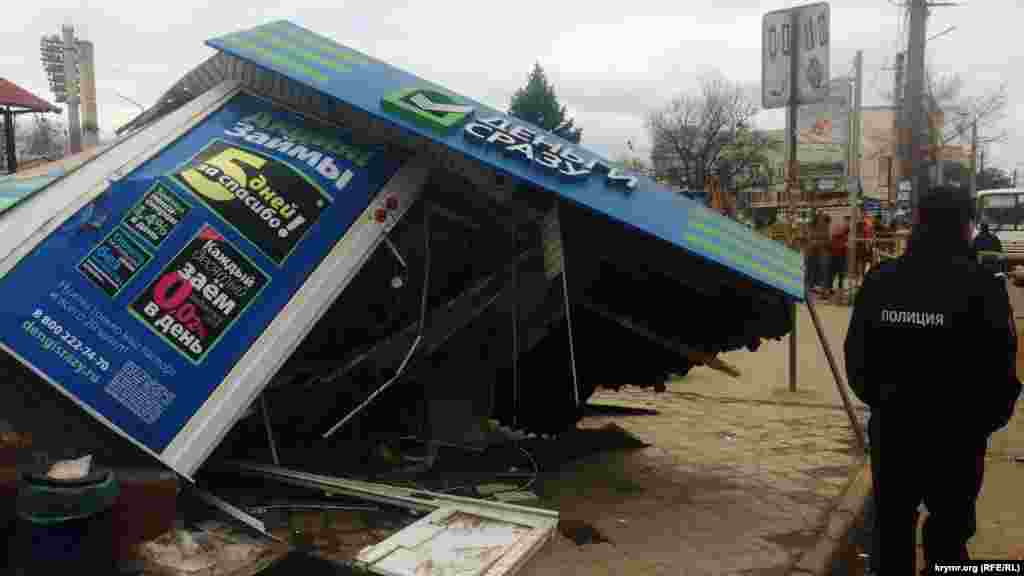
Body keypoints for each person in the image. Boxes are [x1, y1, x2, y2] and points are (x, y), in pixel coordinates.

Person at [844, 187, 1021, 576]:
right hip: (957, 438)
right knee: (949, 535)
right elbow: (1002, 373)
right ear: (966, 227)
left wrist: (886, 402)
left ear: (916, 223)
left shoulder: (881, 280)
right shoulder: (985, 288)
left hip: (895, 431)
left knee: (892, 530)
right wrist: (978, 424)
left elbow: (857, 359)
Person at [831, 215, 852, 294]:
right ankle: (832, 287)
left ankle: (839, 286)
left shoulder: (843, 234)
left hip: (841, 254)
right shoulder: (839, 233)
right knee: (835, 272)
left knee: (840, 272)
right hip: (837, 254)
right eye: (847, 220)